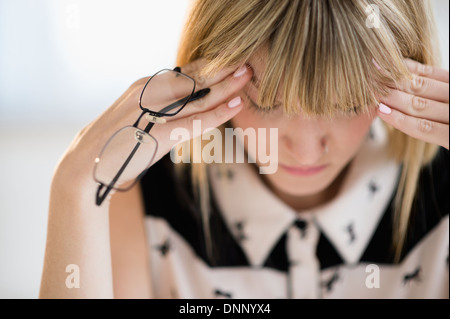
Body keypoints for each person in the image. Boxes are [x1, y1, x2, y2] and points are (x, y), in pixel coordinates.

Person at [39, 0, 449, 298]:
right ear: (206, 73)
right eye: (266, 103)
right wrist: (74, 191)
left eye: (348, 104)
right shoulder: (143, 199)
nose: (305, 152)